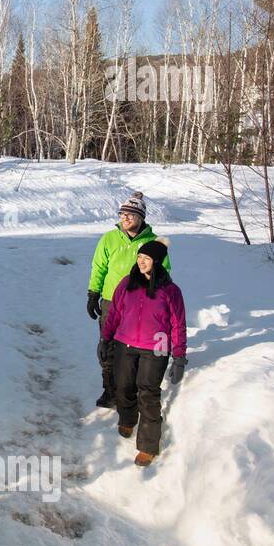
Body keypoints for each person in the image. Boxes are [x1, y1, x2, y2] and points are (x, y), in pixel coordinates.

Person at [98, 240, 187, 467]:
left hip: (155, 347)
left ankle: (148, 445)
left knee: (148, 393)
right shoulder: (127, 283)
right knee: (124, 385)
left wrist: (178, 357)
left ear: (157, 262)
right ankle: (127, 418)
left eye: (146, 259)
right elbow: (115, 314)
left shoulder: (170, 291)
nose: (141, 262)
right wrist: (105, 338)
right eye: (139, 257)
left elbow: (178, 325)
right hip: (124, 343)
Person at [86, 192, 170, 408]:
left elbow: (164, 273)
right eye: (122, 214)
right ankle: (110, 391)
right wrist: (93, 293)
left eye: (130, 215)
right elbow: (99, 267)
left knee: (133, 350)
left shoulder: (153, 242)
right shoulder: (109, 239)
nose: (125, 218)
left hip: (140, 305)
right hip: (110, 302)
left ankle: (130, 391)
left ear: (141, 217)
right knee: (108, 348)